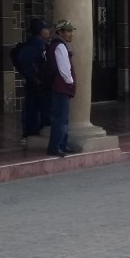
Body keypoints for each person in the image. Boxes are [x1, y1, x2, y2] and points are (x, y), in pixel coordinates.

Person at [46, 20, 76, 157]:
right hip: (61, 86)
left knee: (63, 118)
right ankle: (55, 147)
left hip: (60, 86)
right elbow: (64, 69)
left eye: (71, 31)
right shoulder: (60, 46)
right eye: (68, 31)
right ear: (60, 32)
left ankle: (62, 144)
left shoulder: (57, 45)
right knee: (60, 118)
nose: (71, 34)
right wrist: (70, 82)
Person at [16, 18, 51, 140]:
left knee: (31, 107)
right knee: (42, 108)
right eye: (47, 28)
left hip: (32, 81)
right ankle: (36, 132)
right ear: (42, 31)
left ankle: (30, 132)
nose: (48, 31)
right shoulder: (40, 46)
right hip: (39, 82)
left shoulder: (28, 45)